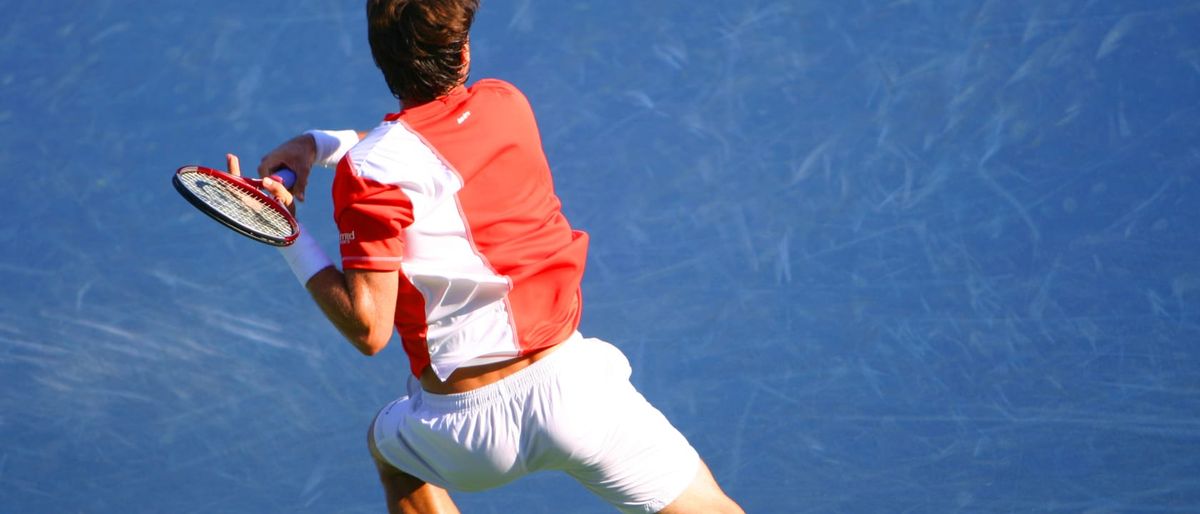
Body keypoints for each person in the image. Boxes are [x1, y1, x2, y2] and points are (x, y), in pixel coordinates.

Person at [226, 1, 745, 512]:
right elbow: (428, 149)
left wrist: (287, 230)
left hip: (464, 434)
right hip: (577, 400)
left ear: (379, 57)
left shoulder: (371, 171)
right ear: (464, 53)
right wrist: (322, 145)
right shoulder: (506, 104)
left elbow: (369, 329)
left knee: (392, 452)